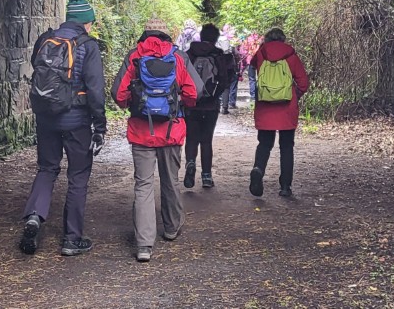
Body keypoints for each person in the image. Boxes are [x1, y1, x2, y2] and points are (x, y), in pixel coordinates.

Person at [19, 0, 107, 256]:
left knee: (47, 169)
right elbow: (95, 89)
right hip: (77, 120)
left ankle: (35, 215)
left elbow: (39, 71)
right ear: (87, 22)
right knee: (78, 176)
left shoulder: (46, 39)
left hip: (47, 117)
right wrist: (99, 124)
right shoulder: (88, 46)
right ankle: (72, 238)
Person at [114, 19, 200, 262]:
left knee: (143, 185)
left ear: (145, 33)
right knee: (170, 180)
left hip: (142, 131)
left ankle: (144, 245)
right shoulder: (179, 57)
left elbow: (118, 94)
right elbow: (194, 92)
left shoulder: (134, 56)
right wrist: (179, 103)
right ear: (167, 35)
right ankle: (171, 228)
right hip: (172, 130)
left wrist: (133, 105)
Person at [248, 28, 310, 198]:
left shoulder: (261, 54)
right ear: (283, 39)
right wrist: (292, 95)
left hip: (265, 107)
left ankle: (258, 169)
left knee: (264, 144)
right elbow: (303, 83)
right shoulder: (291, 56)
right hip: (287, 108)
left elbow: (253, 67)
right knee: (286, 146)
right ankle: (285, 186)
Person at [183, 24, 236, 188]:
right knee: (206, 141)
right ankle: (206, 176)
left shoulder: (189, 54)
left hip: (191, 105)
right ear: (215, 38)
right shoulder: (218, 55)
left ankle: (190, 164)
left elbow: (181, 77)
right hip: (210, 106)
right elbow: (226, 80)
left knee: (191, 138)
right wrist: (215, 95)